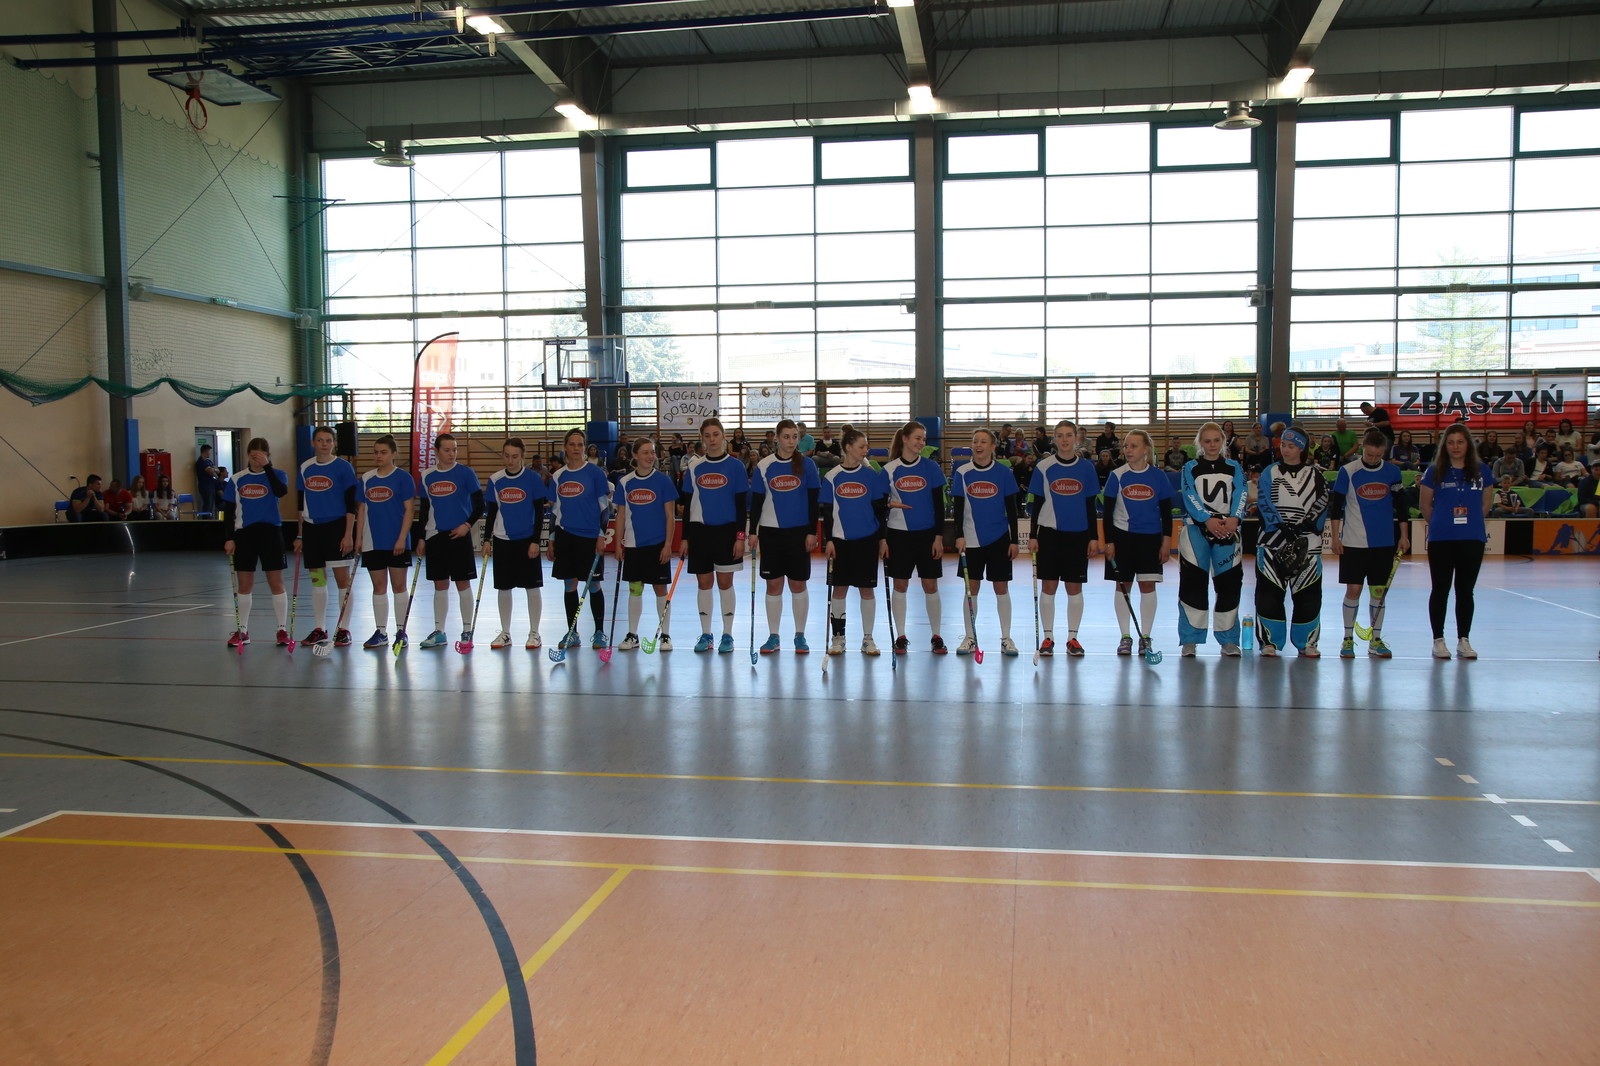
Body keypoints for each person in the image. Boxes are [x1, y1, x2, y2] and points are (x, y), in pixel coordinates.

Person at [1329, 429, 1409, 660]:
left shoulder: (1392, 472)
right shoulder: (1348, 471)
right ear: (1363, 448)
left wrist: (1404, 535)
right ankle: (1347, 639)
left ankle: (1375, 639)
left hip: (1383, 542)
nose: (1373, 459)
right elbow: (1336, 507)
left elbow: (1401, 506)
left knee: (1378, 592)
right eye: (1369, 454)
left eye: (1378, 455)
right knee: (1353, 590)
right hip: (1353, 541)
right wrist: (1335, 538)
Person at [1420, 423, 1494, 660]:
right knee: (1440, 590)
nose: (1455, 446)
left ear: (1468, 444)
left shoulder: (1482, 471)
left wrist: (1471, 522)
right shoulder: (1435, 471)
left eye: (1460, 442)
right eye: (1451, 442)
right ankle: (1438, 640)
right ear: (1445, 446)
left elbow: (1486, 504)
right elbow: (1424, 505)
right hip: (1441, 539)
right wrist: (1441, 523)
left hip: (1472, 538)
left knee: (1465, 591)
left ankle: (1464, 639)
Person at [1254, 427, 1329, 658]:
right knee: (1269, 594)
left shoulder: (1316, 474)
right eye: (1284, 446)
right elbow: (1263, 501)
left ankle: (1307, 642)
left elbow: (1323, 501)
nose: (1286, 450)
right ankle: (1269, 642)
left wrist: (1305, 524)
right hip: (1272, 542)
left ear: (1302, 449)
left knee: (1308, 594)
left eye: (1292, 446)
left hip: (1308, 544)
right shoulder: (1269, 472)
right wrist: (1281, 526)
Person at [1027, 420, 1099, 657]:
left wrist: (1093, 537)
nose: (1065, 439)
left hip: (1078, 535)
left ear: (1076, 438)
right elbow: (1037, 504)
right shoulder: (1043, 466)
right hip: (1049, 534)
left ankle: (1072, 638)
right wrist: (1033, 535)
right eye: (1060, 435)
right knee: (1049, 586)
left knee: (1074, 586)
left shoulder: (1087, 468)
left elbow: (1090, 505)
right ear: (1054, 439)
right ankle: (1048, 638)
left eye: (1069, 435)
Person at [750, 419, 821, 655]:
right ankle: (774, 636)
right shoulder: (764, 465)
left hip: (799, 533)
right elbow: (757, 502)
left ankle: (800, 635)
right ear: (777, 438)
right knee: (773, 584)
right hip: (770, 532)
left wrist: (812, 531)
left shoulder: (808, 465)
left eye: (794, 437)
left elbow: (813, 502)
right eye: (786, 436)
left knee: (798, 584)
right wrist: (752, 532)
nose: (791, 441)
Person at [950, 428, 1023, 656]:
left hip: (999, 538)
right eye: (975, 441)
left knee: (1001, 587)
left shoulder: (1003, 472)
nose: (978, 445)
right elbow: (958, 508)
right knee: (971, 589)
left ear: (993, 446)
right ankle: (970, 637)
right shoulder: (962, 472)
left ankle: (1006, 638)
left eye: (983, 442)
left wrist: (1014, 540)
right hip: (971, 539)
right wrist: (959, 535)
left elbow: (1012, 508)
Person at [1102, 429, 1174, 658]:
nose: (1128, 450)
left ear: (1146, 449)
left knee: (1148, 586)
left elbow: (1166, 512)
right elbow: (1107, 513)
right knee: (1122, 586)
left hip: (1150, 539)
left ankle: (1146, 637)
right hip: (1122, 538)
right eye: (1126, 446)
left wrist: (1166, 541)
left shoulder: (1158, 476)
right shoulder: (1117, 475)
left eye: (1134, 446)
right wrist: (1109, 541)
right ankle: (1125, 636)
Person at [1176, 422, 1246, 657]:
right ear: (1200, 443)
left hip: (1227, 532)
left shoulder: (1234, 467)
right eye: (1207, 441)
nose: (1212, 445)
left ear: (1223, 442)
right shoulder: (1190, 467)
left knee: (1229, 586)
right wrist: (1207, 519)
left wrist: (1234, 518)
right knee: (1192, 585)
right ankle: (1190, 640)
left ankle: (1228, 640)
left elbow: (1241, 493)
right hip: (1196, 532)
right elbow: (1189, 494)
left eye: (1216, 440)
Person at [820, 428, 889, 656]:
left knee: (866, 590)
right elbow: (828, 512)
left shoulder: (871, 476)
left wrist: (882, 539)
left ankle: (868, 638)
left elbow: (880, 511)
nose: (866, 450)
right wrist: (829, 540)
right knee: (839, 589)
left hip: (867, 540)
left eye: (866, 446)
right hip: (840, 541)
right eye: (862, 446)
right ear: (848, 447)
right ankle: (838, 637)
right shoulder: (832, 477)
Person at [415, 432, 486, 649]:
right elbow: (424, 510)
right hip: (435, 536)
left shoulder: (466, 473)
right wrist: (421, 538)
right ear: (436, 451)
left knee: (462, 583)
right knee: (440, 584)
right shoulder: (426, 476)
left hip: (459, 536)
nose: (451, 453)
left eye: (454, 449)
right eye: (447, 450)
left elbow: (480, 504)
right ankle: (440, 632)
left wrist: (466, 525)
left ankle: (467, 630)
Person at [883, 421, 948, 654]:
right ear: (905, 439)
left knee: (930, 585)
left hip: (927, 535)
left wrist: (938, 536)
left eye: (923, 438)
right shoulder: (889, 469)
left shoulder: (931, 468)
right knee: (900, 584)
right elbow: (878, 504)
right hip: (898, 535)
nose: (921, 442)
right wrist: (888, 506)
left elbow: (939, 506)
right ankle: (901, 636)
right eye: (917, 438)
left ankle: (936, 635)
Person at [220, 437, 291, 647]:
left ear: (268, 456)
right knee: (244, 584)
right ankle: (242, 630)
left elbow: (281, 491)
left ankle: (281, 629)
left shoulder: (277, 475)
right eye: (252, 456)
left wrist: (267, 467)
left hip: (270, 532)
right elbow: (229, 511)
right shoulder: (237, 479)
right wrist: (229, 538)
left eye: (260, 456)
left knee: (276, 582)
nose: (256, 460)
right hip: (245, 534)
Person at [549, 428, 616, 649]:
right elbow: (555, 511)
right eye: (572, 444)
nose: (576, 448)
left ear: (584, 448)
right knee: (569, 584)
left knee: (594, 584)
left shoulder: (595, 473)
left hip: (589, 536)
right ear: (565, 448)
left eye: (580, 444)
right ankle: (572, 633)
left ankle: (599, 633)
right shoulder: (558, 476)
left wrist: (601, 535)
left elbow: (604, 507)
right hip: (565, 536)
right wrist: (551, 539)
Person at [294, 426, 360, 648]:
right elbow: (300, 504)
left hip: (336, 527)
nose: (324, 444)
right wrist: (300, 535)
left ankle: (344, 629)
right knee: (318, 579)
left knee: (342, 580)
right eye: (320, 440)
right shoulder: (305, 467)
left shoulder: (343, 467)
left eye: (328, 440)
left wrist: (348, 534)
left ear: (334, 443)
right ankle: (320, 628)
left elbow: (351, 504)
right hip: (312, 529)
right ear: (312, 443)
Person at [612, 437, 678, 652]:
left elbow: (670, 516)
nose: (651, 456)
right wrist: (619, 544)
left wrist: (668, 544)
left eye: (652, 452)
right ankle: (632, 635)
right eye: (646, 452)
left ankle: (665, 635)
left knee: (660, 589)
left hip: (657, 544)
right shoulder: (625, 482)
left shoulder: (663, 481)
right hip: (633, 544)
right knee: (635, 589)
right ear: (635, 455)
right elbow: (621, 516)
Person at [484, 438, 550, 650]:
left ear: (522, 456)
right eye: (506, 456)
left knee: (532, 586)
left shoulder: (533, 479)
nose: (510, 460)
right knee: (504, 587)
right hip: (502, 540)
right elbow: (492, 513)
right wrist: (487, 539)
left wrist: (535, 541)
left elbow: (539, 512)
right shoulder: (495, 480)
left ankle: (534, 633)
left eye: (514, 456)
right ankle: (505, 633)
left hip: (526, 540)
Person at [356, 434, 417, 650]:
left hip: (397, 542)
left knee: (399, 586)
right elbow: (361, 510)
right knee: (378, 587)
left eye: (383, 452)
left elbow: (409, 510)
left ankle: (401, 631)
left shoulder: (403, 478)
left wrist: (401, 538)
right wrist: (358, 538)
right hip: (373, 542)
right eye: (376, 452)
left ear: (394, 454)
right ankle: (380, 632)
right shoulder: (366, 479)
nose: (379, 456)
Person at [194, 444, 218, 516]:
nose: (209, 453)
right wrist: (213, 470)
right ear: (205, 451)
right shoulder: (201, 462)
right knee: (207, 506)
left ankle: (210, 519)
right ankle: (206, 520)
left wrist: (213, 470)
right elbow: (211, 471)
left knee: (211, 506)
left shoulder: (208, 461)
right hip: (205, 487)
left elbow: (217, 470)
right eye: (209, 451)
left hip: (211, 486)